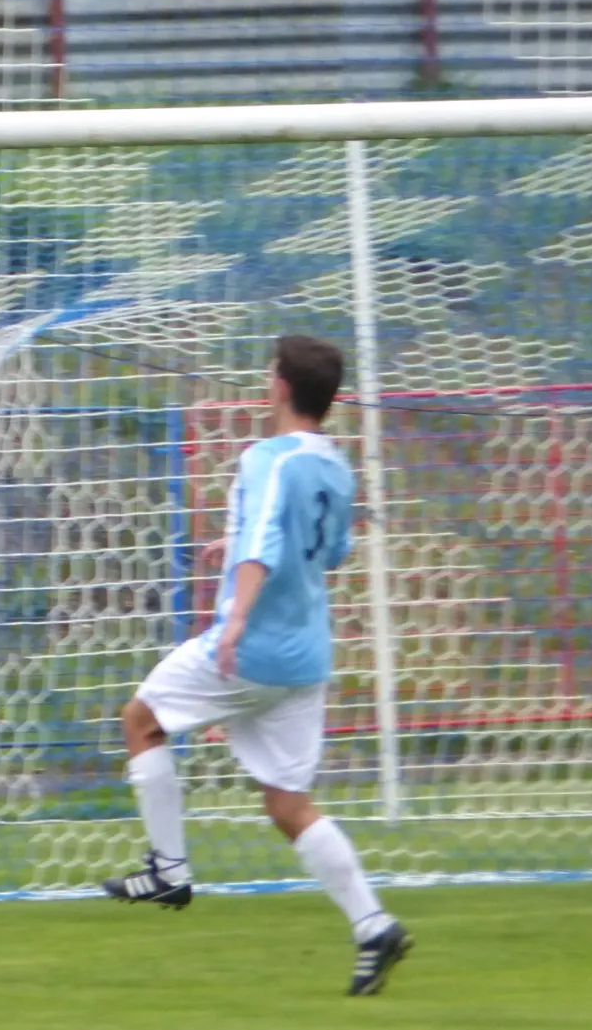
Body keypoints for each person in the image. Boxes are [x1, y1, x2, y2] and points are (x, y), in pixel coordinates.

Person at [100, 336, 414, 996]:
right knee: (287, 803)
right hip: (306, 657)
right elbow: (328, 552)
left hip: (252, 649)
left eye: (271, 372)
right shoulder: (336, 466)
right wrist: (237, 540)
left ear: (280, 386)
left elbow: (268, 542)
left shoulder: (266, 458)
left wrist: (238, 615)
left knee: (141, 720)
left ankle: (169, 870)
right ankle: (373, 925)